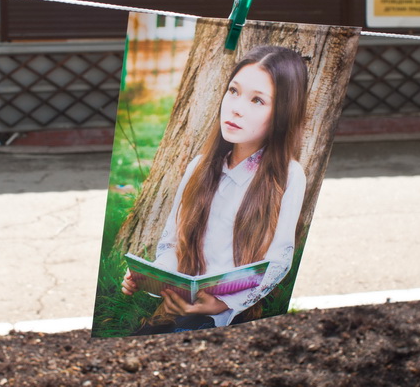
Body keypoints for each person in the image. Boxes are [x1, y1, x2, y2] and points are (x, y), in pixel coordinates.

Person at [121, 45, 308, 333]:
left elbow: (279, 261)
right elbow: (172, 243)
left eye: (257, 100)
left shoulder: (288, 176)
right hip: (181, 308)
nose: (236, 107)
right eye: (233, 91)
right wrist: (154, 277)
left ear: (282, 114)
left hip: (227, 314)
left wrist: (219, 304)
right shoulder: (200, 166)